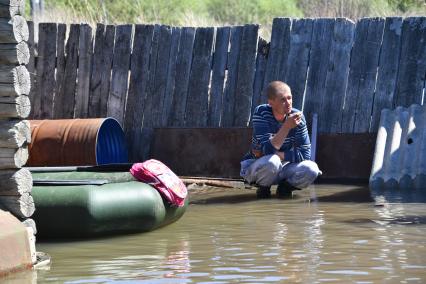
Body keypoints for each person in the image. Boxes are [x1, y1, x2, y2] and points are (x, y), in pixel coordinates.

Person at [240, 81, 322, 198]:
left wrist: (277, 154)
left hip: (282, 166)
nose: (288, 103)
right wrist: (286, 127)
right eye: (283, 100)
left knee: (312, 169)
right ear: (271, 102)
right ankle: (263, 190)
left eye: (290, 98)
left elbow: (305, 154)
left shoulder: (297, 117)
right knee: (272, 161)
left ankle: (284, 189)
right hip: (257, 167)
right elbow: (268, 150)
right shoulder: (261, 113)